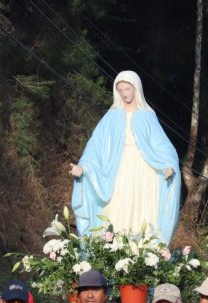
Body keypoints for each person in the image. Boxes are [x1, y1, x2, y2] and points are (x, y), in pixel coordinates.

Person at [69, 70, 180, 244]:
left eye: (127, 89)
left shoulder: (147, 115)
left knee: (143, 211)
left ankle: (142, 252)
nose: (124, 94)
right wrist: (84, 166)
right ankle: (114, 248)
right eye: (120, 90)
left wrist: (168, 165)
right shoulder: (111, 116)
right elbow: (96, 145)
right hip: (119, 169)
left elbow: (162, 145)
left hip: (145, 172)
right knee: (117, 208)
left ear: (136, 88)